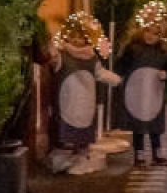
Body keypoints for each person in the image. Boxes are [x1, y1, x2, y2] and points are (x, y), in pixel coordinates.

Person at [51, 13, 120, 175]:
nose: (76, 41)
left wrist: (115, 79)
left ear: (87, 40)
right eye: (73, 37)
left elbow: (100, 73)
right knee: (66, 134)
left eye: (80, 37)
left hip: (86, 103)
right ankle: (65, 159)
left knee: (83, 135)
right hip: (67, 102)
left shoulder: (92, 58)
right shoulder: (62, 55)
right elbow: (52, 60)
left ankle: (82, 159)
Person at [116, 2, 167, 167]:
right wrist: (119, 78)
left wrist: (166, 75)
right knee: (138, 124)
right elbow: (121, 66)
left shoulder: (164, 52)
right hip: (136, 92)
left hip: (154, 93)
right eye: (148, 31)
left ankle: (157, 154)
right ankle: (139, 155)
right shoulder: (133, 49)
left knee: (155, 123)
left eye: (156, 33)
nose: (151, 36)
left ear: (161, 35)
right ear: (142, 30)